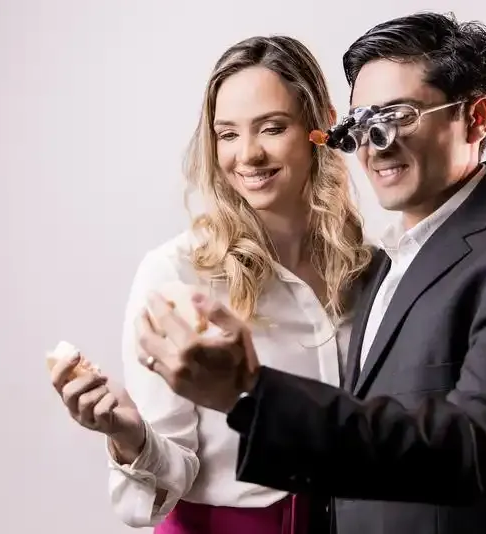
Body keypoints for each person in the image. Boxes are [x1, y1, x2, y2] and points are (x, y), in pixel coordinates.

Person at [135, 12, 486, 534]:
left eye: (400, 115)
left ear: (476, 118)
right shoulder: (382, 260)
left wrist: (249, 391)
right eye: (362, 121)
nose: (375, 142)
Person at [50, 35, 371, 533]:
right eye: (227, 134)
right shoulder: (176, 273)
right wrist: (128, 435)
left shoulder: (371, 268)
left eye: (272, 128)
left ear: (322, 126)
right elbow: (165, 483)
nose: (248, 154)